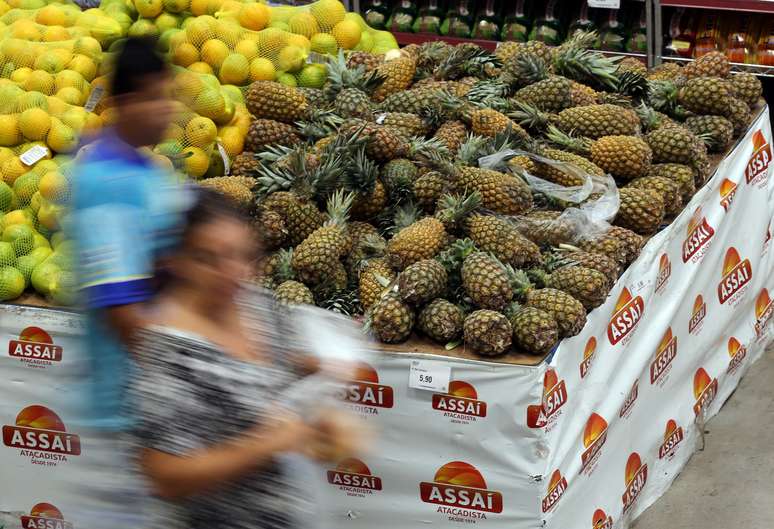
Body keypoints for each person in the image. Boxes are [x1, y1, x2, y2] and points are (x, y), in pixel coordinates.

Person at [128, 188, 353, 529]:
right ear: (177, 261)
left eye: (240, 255)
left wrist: (321, 402)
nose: (231, 272)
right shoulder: (169, 350)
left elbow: (283, 376)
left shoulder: (258, 304)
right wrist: (266, 446)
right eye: (208, 258)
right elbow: (164, 475)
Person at [72, 37, 183, 430]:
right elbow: (121, 307)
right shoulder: (106, 180)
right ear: (126, 102)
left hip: (153, 405)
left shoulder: (145, 169)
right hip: (130, 411)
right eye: (154, 98)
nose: (167, 109)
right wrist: (182, 379)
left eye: (168, 96)